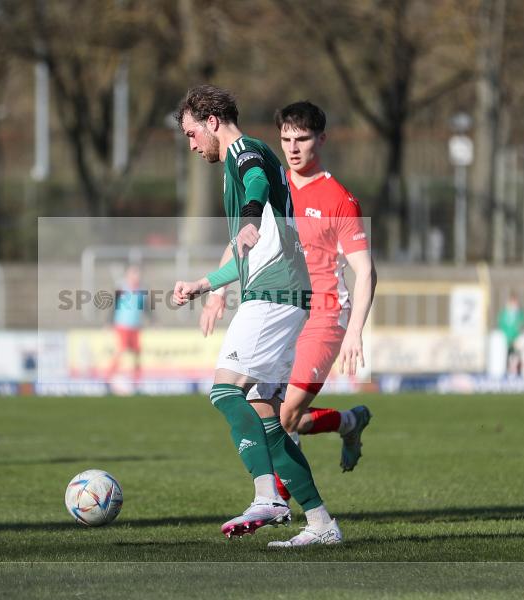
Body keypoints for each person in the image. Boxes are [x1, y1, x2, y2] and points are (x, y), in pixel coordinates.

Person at [173, 85, 344, 547]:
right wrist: (205, 285)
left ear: (211, 121)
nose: (191, 145)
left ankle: (266, 495)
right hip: (280, 290)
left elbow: (255, 184)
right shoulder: (239, 160)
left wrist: (249, 216)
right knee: (263, 411)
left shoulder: (244, 152)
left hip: (275, 292)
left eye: (191, 134)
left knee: (225, 391)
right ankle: (321, 524)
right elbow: (248, 253)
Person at [105, 264, 146, 390]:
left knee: (137, 352)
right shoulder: (122, 289)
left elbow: (145, 307)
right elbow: (113, 306)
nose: (136, 277)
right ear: (128, 276)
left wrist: (154, 321)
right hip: (122, 325)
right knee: (121, 349)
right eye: (133, 274)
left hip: (135, 326)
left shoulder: (141, 291)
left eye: (137, 274)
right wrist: (108, 321)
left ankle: (137, 379)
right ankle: (109, 376)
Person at [498, 292, 524, 375]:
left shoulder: (521, 314)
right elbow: (501, 325)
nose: (514, 305)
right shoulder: (504, 314)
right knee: (506, 356)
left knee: (518, 356)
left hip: (516, 339)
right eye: (513, 302)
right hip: (506, 339)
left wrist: (520, 329)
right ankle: (506, 373)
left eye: (516, 303)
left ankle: (518, 373)